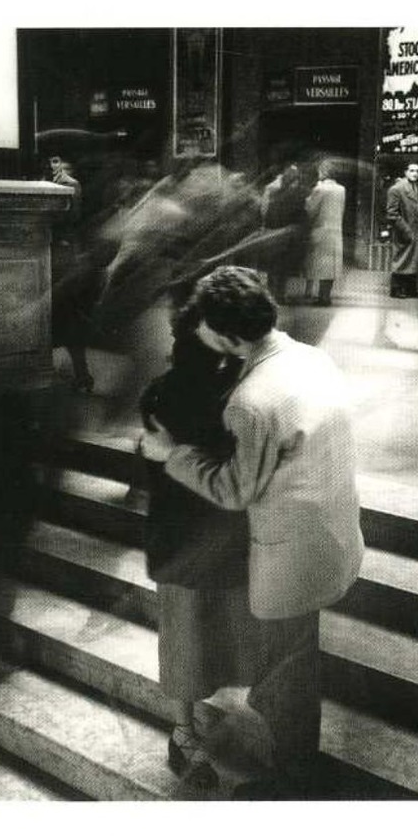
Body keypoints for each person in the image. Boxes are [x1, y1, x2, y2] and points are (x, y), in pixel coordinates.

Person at [140, 266, 364, 798]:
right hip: (331, 536)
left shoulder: (250, 399)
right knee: (292, 663)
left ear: (220, 334)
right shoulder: (313, 357)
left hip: (287, 551)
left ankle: (291, 780)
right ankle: (292, 760)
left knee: (285, 675)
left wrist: (170, 454)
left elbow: (235, 491)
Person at [140, 302, 256, 790]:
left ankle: (185, 729)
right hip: (219, 531)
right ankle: (192, 728)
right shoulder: (238, 394)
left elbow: (149, 464)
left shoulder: (162, 392)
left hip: (179, 535)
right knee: (209, 628)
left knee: (185, 635)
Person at [47, 154, 96, 393]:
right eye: (54, 162)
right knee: (60, 318)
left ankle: (82, 374)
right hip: (53, 255)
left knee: (66, 316)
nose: (56, 167)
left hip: (63, 256)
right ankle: (79, 374)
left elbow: (70, 218)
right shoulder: (50, 184)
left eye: (60, 162)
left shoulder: (70, 185)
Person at [260, 162, 307, 303]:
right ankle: (279, 295)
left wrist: (266, 227)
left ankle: (271, 294)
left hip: (274, 232)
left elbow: (266, 212)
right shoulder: (295, 195)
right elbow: (300, 215)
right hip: (285, 234)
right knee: (282, 267)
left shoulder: (274, 192)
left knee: (273, 265)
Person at [302, 158, 346, 306]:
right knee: (331, 266)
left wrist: (309, 197)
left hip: (320, 230)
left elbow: (310, 210)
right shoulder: (341, 190)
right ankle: (325, 295)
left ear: (323, 172)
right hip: (336, 231)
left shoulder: (319, 189)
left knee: (319, 265)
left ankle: (318, 296)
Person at [386, 162, 418, 298]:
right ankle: (396, 289)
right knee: (401, 260)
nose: (415, 173)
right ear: (405, 172)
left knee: (412, 261)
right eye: (412, 170)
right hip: (404, 231)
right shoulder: (396, 189)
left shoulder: (417, 188)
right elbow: (392, 214)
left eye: (417, 171)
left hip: (416, 230)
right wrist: (406, 230)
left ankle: (410, 289)